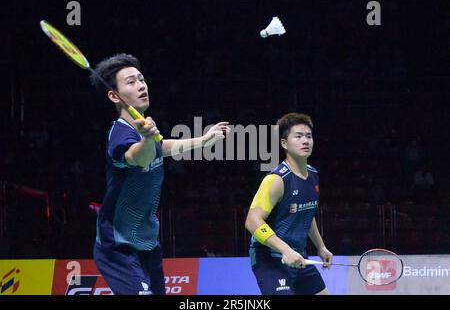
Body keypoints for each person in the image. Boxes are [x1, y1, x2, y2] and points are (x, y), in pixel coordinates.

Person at [89, 53, 230, 295]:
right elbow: (138, 158)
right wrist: (146, 137)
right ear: (114, 95)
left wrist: (203, 141)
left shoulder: (143, 129)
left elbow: (160, 148)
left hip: (146, 241)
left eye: (141, 79)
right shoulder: (121, 134)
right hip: (118, 246)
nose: (141, 85)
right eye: (131, 82)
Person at [245, 112, 333, 295]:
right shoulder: (277, 180)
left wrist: (320, 246)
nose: (305, 141)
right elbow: (252, 221)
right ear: (284, 143)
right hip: (270, 258)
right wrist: (285, 250)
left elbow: (306, 213)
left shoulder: (313, 174)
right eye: (298, 136)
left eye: (309, 136)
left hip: (297, 257)